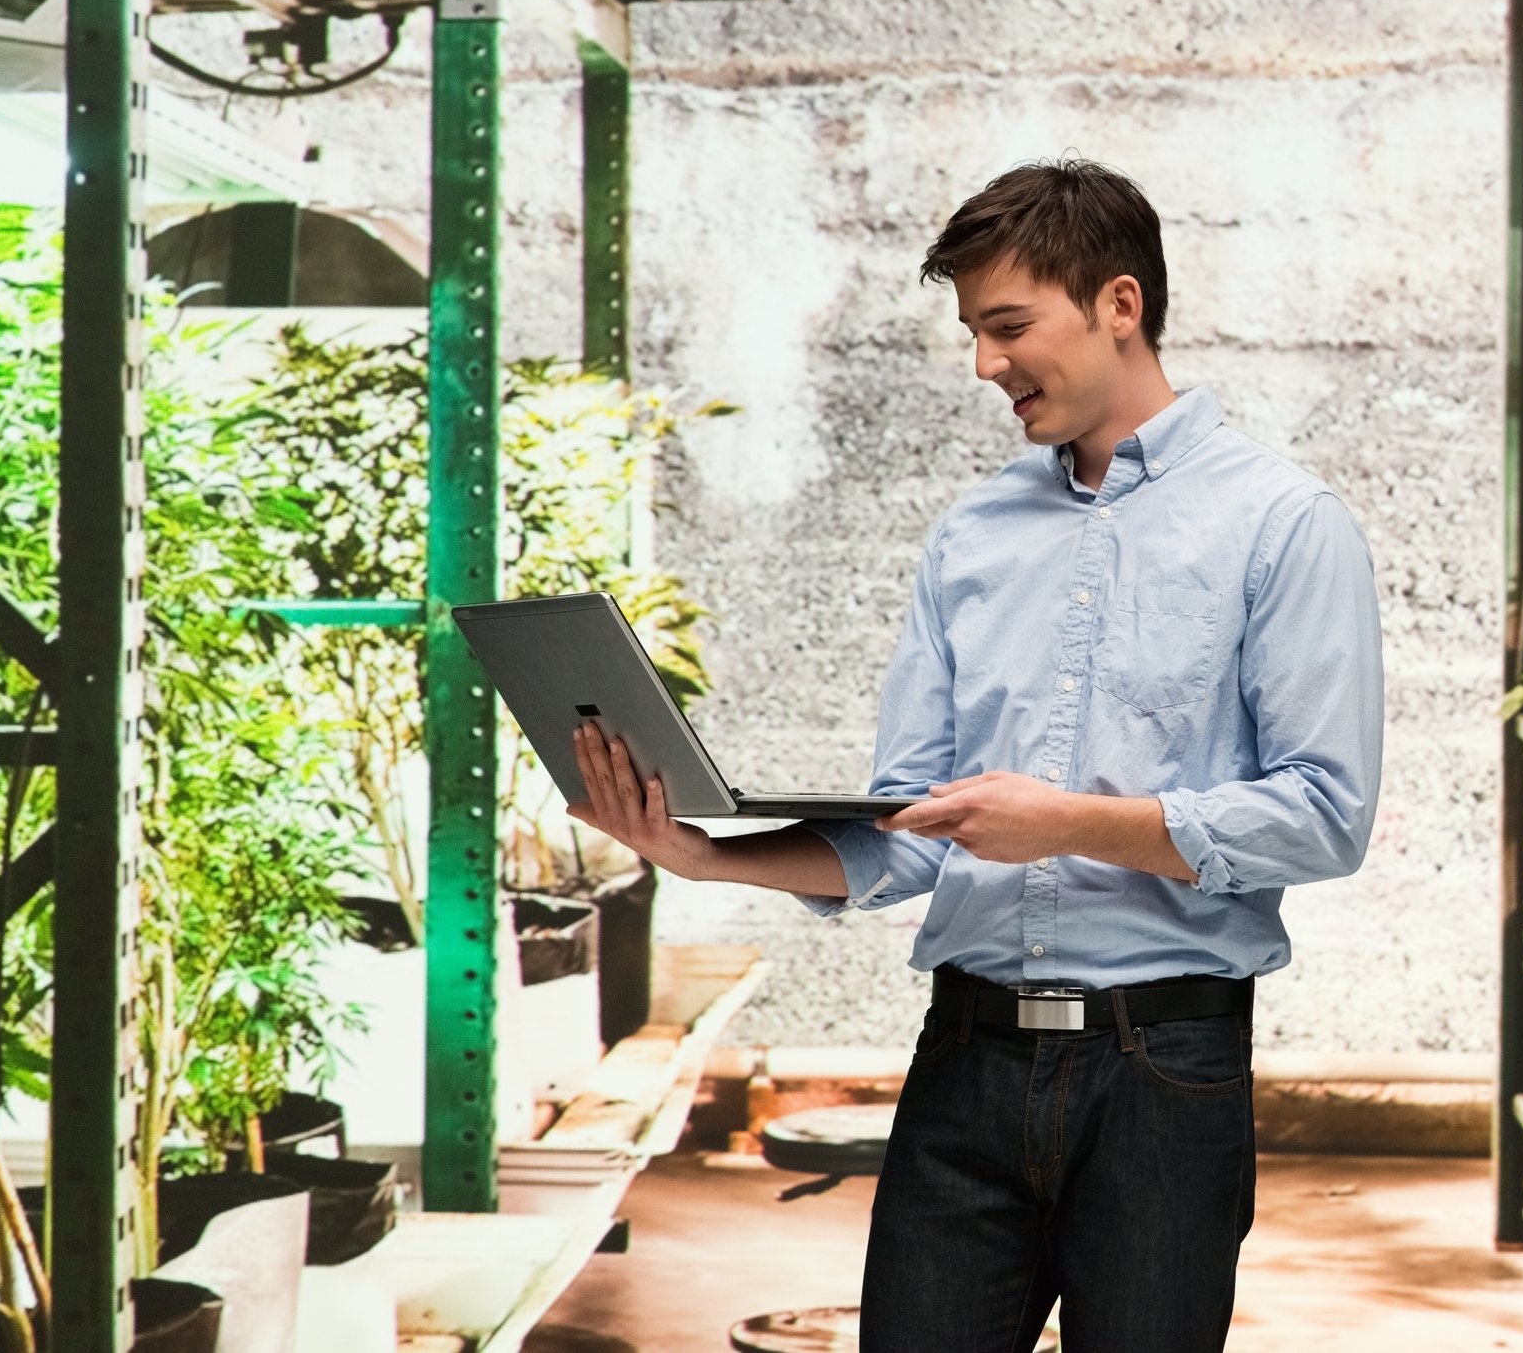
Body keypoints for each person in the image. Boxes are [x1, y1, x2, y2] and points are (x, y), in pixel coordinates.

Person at [565, 158, 1382, 1352]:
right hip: (964, 1062)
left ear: (1119, 304)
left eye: (1008, 326)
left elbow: (1321, 816)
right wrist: (695, 852)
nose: (986, 365)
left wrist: (1062, 822)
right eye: (973, 333)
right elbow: (908, 839)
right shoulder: (973, 535)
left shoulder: (1281, 524)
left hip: (1164, 1073)